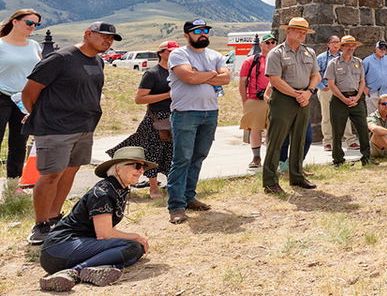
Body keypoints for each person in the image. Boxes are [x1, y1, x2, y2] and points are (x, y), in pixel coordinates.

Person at [22, 22, 117, 245]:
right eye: (104, 36)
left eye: (111, 39)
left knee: (69, 173)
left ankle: (55, 218)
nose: (108, 41)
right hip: (55, 128)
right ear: (88, 34)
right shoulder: (60, 58)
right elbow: (30, 91)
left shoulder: (98, 61)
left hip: (84, 127)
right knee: (51, 175)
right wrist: (40, 115)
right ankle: (40, 225)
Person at [37, 146, 151, 292]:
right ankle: (74, 272)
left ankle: (94, 270)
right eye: (137, 165)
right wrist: (136, 236)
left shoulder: (117, 189)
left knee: (135, 250)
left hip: (75, 247)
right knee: (132, 246)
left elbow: (106, 231)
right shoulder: (103, 193)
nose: (141, 171)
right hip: (59, 249)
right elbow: (104, 234)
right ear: (118, 169)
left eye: (143, 167)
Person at [165, 18, 230, 224]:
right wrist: (211, 74)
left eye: (205, 30)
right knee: (182, 158)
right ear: (187, 35)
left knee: (198, 156)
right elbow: (188, 78)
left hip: (210, 112)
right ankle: (176, 206)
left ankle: (189, 197)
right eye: (197, 31)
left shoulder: (215, 55)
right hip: (185, 113)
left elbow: (226, 78)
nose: (202, 34)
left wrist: (200, 74)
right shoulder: (179, 54)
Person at [105, 40, 177, 199]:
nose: (173, 54)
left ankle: (171, 186)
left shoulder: (177, 72)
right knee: (153, 153)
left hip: (175, 117)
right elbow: (140, 98)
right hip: (156, 119)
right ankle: (153, 188)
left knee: (171, 153)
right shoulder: (153, 73)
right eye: (170, 51)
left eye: (175, 51)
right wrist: (167, 95)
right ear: (161, 53)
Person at [262, 17, 321, 194]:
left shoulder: (309, 52)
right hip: (283, 99)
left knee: (300, 138)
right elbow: (275, 80)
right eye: (298, 31)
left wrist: (308, 92)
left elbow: (316, 75)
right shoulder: (277, 53)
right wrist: (296, 94)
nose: (302, 34)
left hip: (304, 97)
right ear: (288, 31)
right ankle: (270, 181)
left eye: (304, 32)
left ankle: (296, 176)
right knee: (276, 140)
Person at [1, 8, 42, 192]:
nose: (32, 27)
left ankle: (13, 186)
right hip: (1, 96)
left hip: (24, 99)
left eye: (36, 24)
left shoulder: (34, 45)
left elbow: (39, 72)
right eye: (29, 23)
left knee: (19, 143)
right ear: (15, 22)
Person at [325, 36, 372, 168]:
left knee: (363, 128)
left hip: (357, 99)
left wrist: (357, 97)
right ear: (341, 47)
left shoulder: (359, 62)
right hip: (340, 100)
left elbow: (362, 81)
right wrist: (343, 99)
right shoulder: (333, 63)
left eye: (353, 45)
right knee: (337, 131)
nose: (351, 48)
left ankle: (367, 157)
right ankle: (338, 160)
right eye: (348, 45)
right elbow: (331, 84)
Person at [238, 34, 276, 169]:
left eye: (273, 42)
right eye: (267, 42)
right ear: (261, 44)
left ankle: (272, 158)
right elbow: (242, 82)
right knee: (255, 129)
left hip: (275, 99)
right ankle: (256, 157)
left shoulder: (279, 60)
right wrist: (245, 100)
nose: (270, 45)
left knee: (274, 129)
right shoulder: (250, 61)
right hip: (255, 99)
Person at [314, 35, 341, 152]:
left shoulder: (343, 57)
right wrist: (321, 86)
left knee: (345, 116)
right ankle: (328, 141)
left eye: (338, 42)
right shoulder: (321, 58)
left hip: (341, 89)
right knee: (326, 116)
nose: (336, 44)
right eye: (334, 42)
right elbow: (315, 73)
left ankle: (349, 139)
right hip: (326, 89)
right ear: (328, 44)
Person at [362, 41, 387, 115]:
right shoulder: (367, 61)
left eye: (384, 49)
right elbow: (361, 76)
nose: (382, 51)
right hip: (373, 92)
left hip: (385, 91)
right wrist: (364, 88)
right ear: (376, 48)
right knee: (372, 115)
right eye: (381, 48)